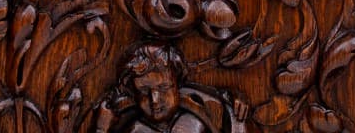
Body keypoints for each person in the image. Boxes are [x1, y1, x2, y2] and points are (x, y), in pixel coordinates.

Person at [96, 43, 249, 133]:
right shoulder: (136, 130)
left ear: (178, 85)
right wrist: (102, 129)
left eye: (163, 87)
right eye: (143, 90)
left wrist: (233, 111)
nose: (154, 100)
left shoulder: (194, 124)